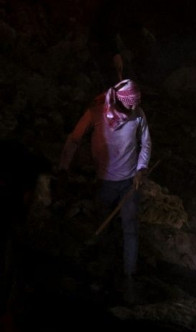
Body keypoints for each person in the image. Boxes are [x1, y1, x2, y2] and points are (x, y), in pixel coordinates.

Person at [58, 78, 151, 295]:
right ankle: (99, 276)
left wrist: (141, 168)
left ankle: (129, 277)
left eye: (136, 105)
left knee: (130, 230)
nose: (134, 109)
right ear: (119, 102)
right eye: (130, 105)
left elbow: (145, 142)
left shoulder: (137, 114)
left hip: (129, 183)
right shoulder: (96, 113)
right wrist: (63, 168)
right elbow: (74, 140)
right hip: (104, 183)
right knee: (102, 230)